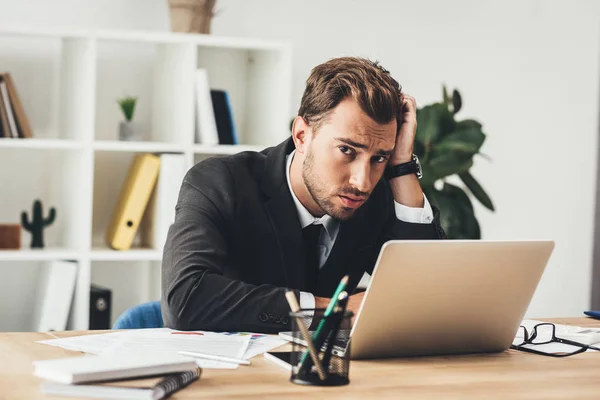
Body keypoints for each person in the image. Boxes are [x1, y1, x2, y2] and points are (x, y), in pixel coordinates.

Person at [161, 56, 446, 333]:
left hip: (335, 374)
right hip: (235, 374)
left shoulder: (377, 196)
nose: (362, 182)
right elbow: (184, 299)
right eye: (347, 150)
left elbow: (428, 296)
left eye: (378, 158)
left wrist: (401, 167)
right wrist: (334, 312)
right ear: (301, 135)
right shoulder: (219, 182)